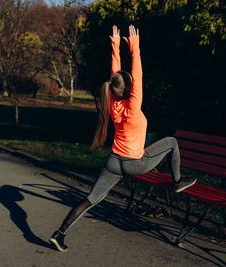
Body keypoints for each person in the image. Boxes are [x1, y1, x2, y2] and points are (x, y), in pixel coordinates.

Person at [49, 25, 196, 252]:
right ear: (128, 88)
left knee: (91, 199)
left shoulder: (112, 102)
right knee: (172, 143)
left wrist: (116, 45)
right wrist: (133, 46)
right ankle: (177, 181)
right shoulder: (133, 106)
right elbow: (136, 74)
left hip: (113, 162)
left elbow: (115, 77)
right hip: (136, 163)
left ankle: (60, 233)